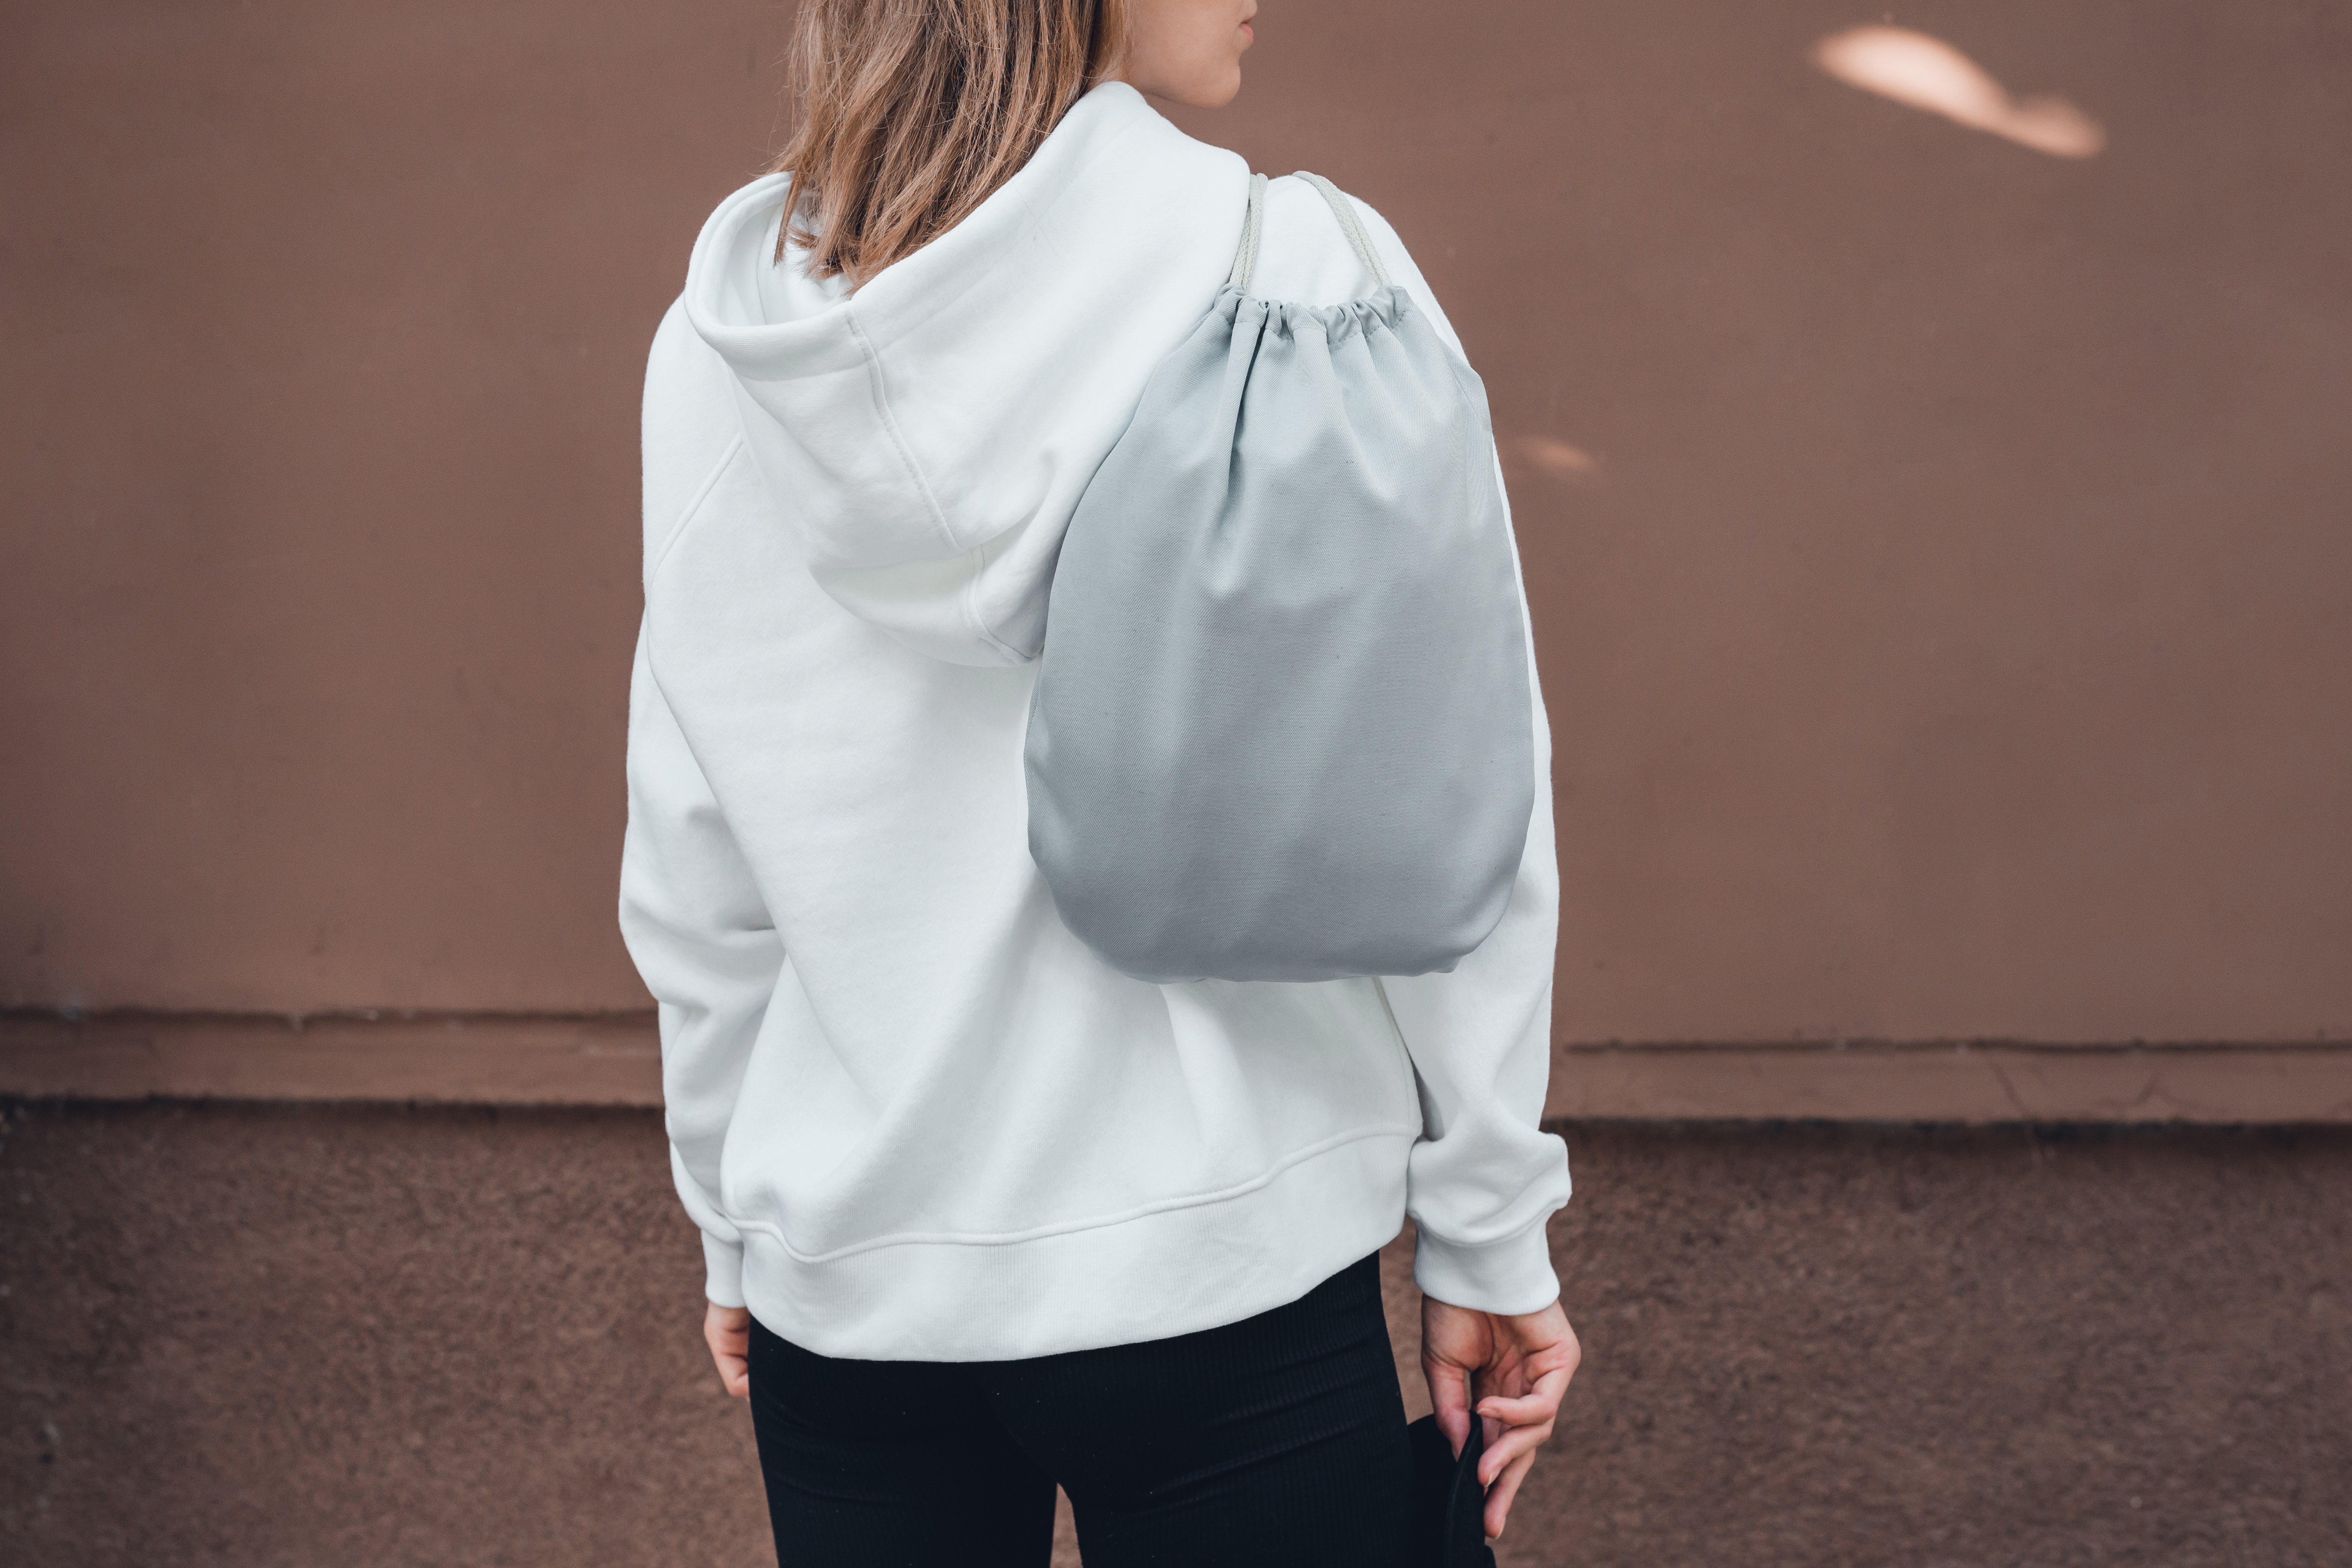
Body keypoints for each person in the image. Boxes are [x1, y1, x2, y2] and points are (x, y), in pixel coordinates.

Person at [618, 1, 1580, 1562]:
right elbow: (1459, 800)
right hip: (1227, 1268)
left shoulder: (725, 344)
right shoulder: (1303, 281)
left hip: (853, 1287)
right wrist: (1486, 1216)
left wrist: (733, 1209)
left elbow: (693, 841)